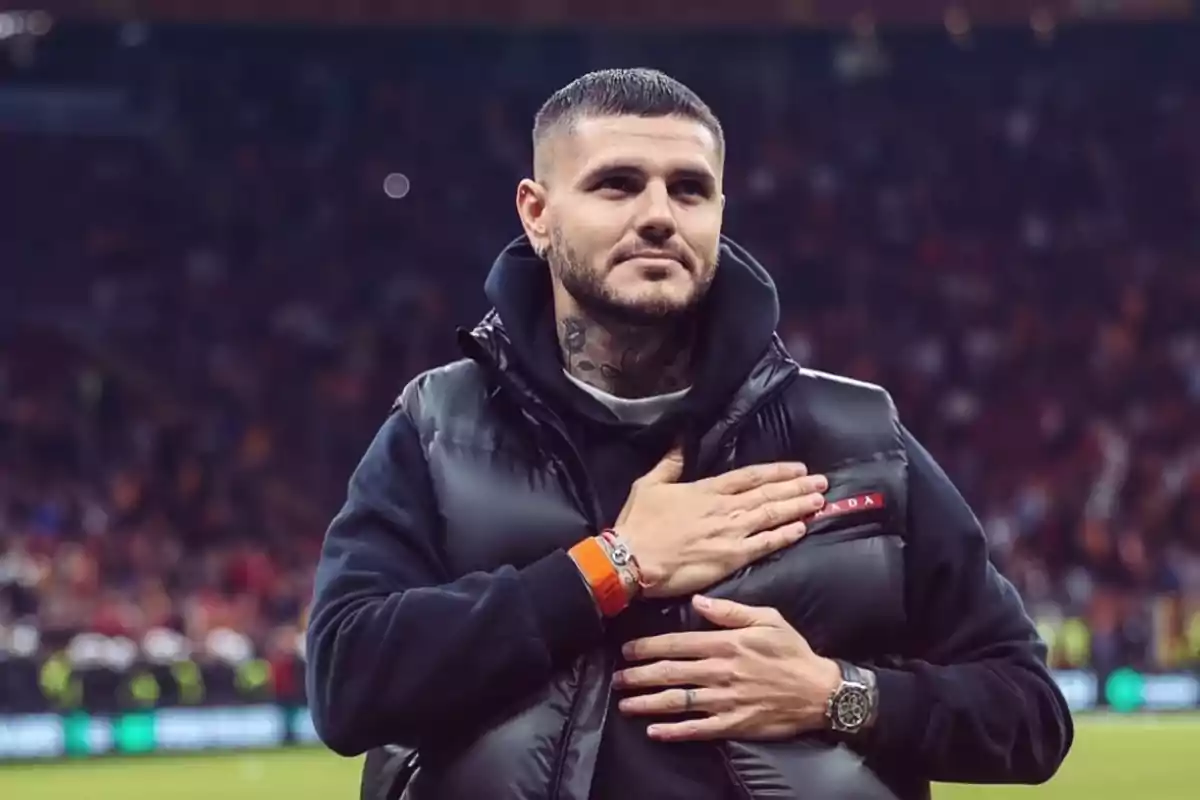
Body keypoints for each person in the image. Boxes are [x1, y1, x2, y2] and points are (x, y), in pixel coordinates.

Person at [306, 68, 1073, 800]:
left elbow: (1031, 714)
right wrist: (611, 568)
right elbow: (347, 684)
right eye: (616, 183)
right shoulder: (438, 429)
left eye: (690, 189)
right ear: (537, 213)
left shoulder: (855, 438)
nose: (659, 214)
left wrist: (837, 695)